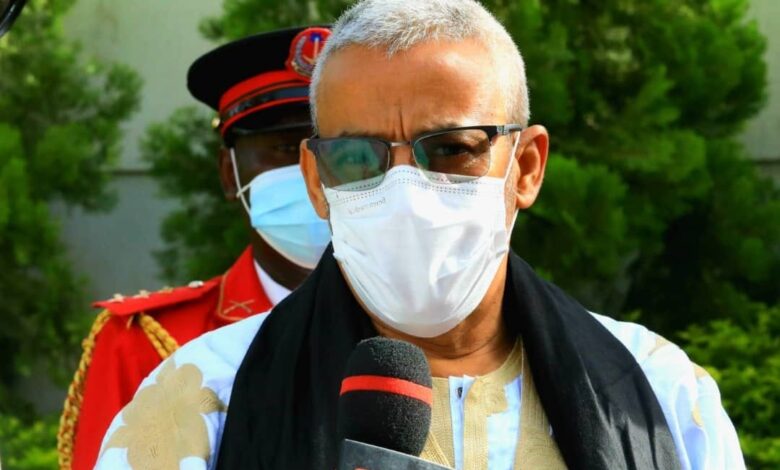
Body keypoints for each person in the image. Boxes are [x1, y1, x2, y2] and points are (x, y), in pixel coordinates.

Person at [94, 1, 745, 469]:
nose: (405, 192)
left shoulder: (658, 391)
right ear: (317, 181)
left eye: (453, 149)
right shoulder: (201, 401)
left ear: (525, 167)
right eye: (358, 157)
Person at [57, 26, 332, 470]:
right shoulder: (143, 343)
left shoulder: (428, 327)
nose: (311, 172)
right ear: (229, 173)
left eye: (334, 149)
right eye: (284, 148)